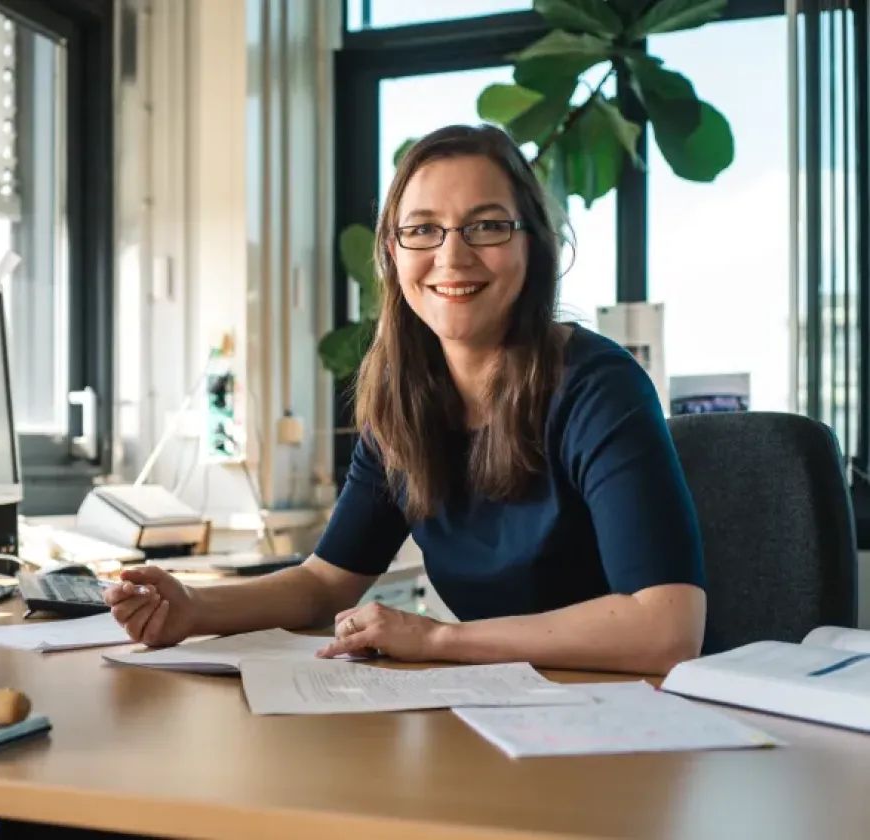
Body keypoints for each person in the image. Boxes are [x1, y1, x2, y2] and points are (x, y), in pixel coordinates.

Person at [105, 124, 706, 676]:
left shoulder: (598, 386)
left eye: (487, 225)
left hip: (622, 722)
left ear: (533, 246)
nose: (452, 254)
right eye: (422, 229)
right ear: (393, 254)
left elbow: (667, 628)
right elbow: (325, 582)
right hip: (493, 714)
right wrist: (192, 608)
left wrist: (441, 641)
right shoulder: (405, 401)